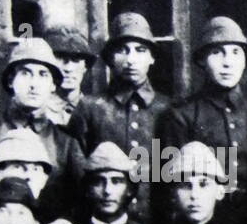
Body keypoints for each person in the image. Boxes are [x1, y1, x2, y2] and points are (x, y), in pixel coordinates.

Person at [158, 16, 247, 224]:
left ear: (245, 60)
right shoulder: (182, 116)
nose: (228, 62)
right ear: (202, 61)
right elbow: (170, 185)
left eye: (236, 52)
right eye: (217, 52)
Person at [0, 37, 86, 224]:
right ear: (11, 81)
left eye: (43, 74)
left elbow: (84, 200)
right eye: (26, 73)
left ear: (53, 85)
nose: (34, 84)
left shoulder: (66, 143)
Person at [68, 13, 170, 162]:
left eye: (140, 50)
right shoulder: (89, 108)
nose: (131, 60)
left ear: (152, 57)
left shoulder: (169, 107)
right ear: (110, 57)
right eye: (122, 50)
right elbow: (77, 167)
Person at [42, 25, 94, 126]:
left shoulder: (94, 111)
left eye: (76, 60)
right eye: (59, 58)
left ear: (85, 67)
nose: (68, 68)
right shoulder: (37, 111)